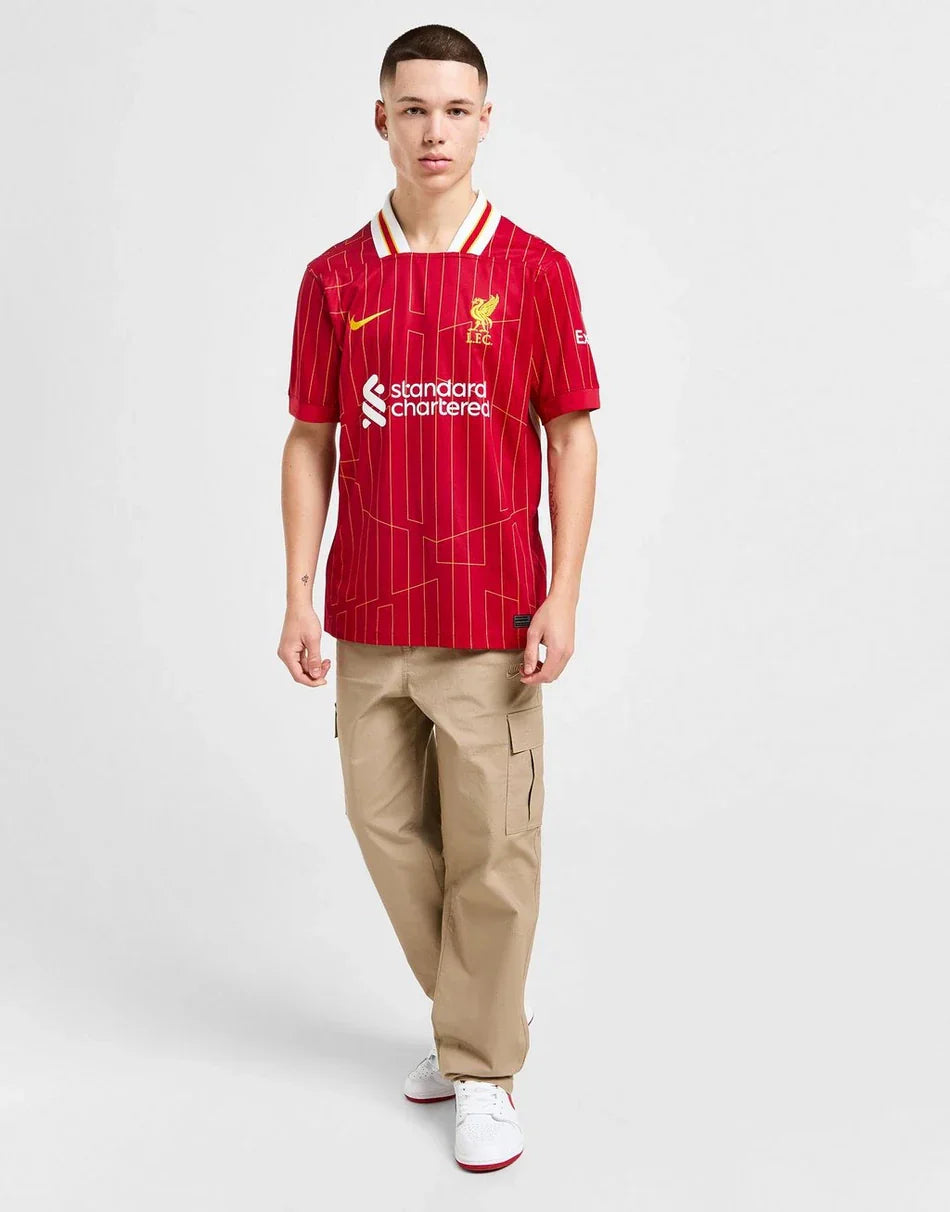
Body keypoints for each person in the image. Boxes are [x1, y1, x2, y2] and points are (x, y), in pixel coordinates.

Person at [278, 23, 600, 1172]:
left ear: (483, 121)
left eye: (454, 109)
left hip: (489, 617)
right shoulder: (335, 277)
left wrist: (563, 593)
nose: (433, 130)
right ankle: (477, 1013)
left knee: (493, 849)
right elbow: (308, 439)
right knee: (383, 826)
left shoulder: (532, 270)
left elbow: (570, 433)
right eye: (412, 108)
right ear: (382, 119)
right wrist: (297, 595)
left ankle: (481, 1065)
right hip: (369, 615)